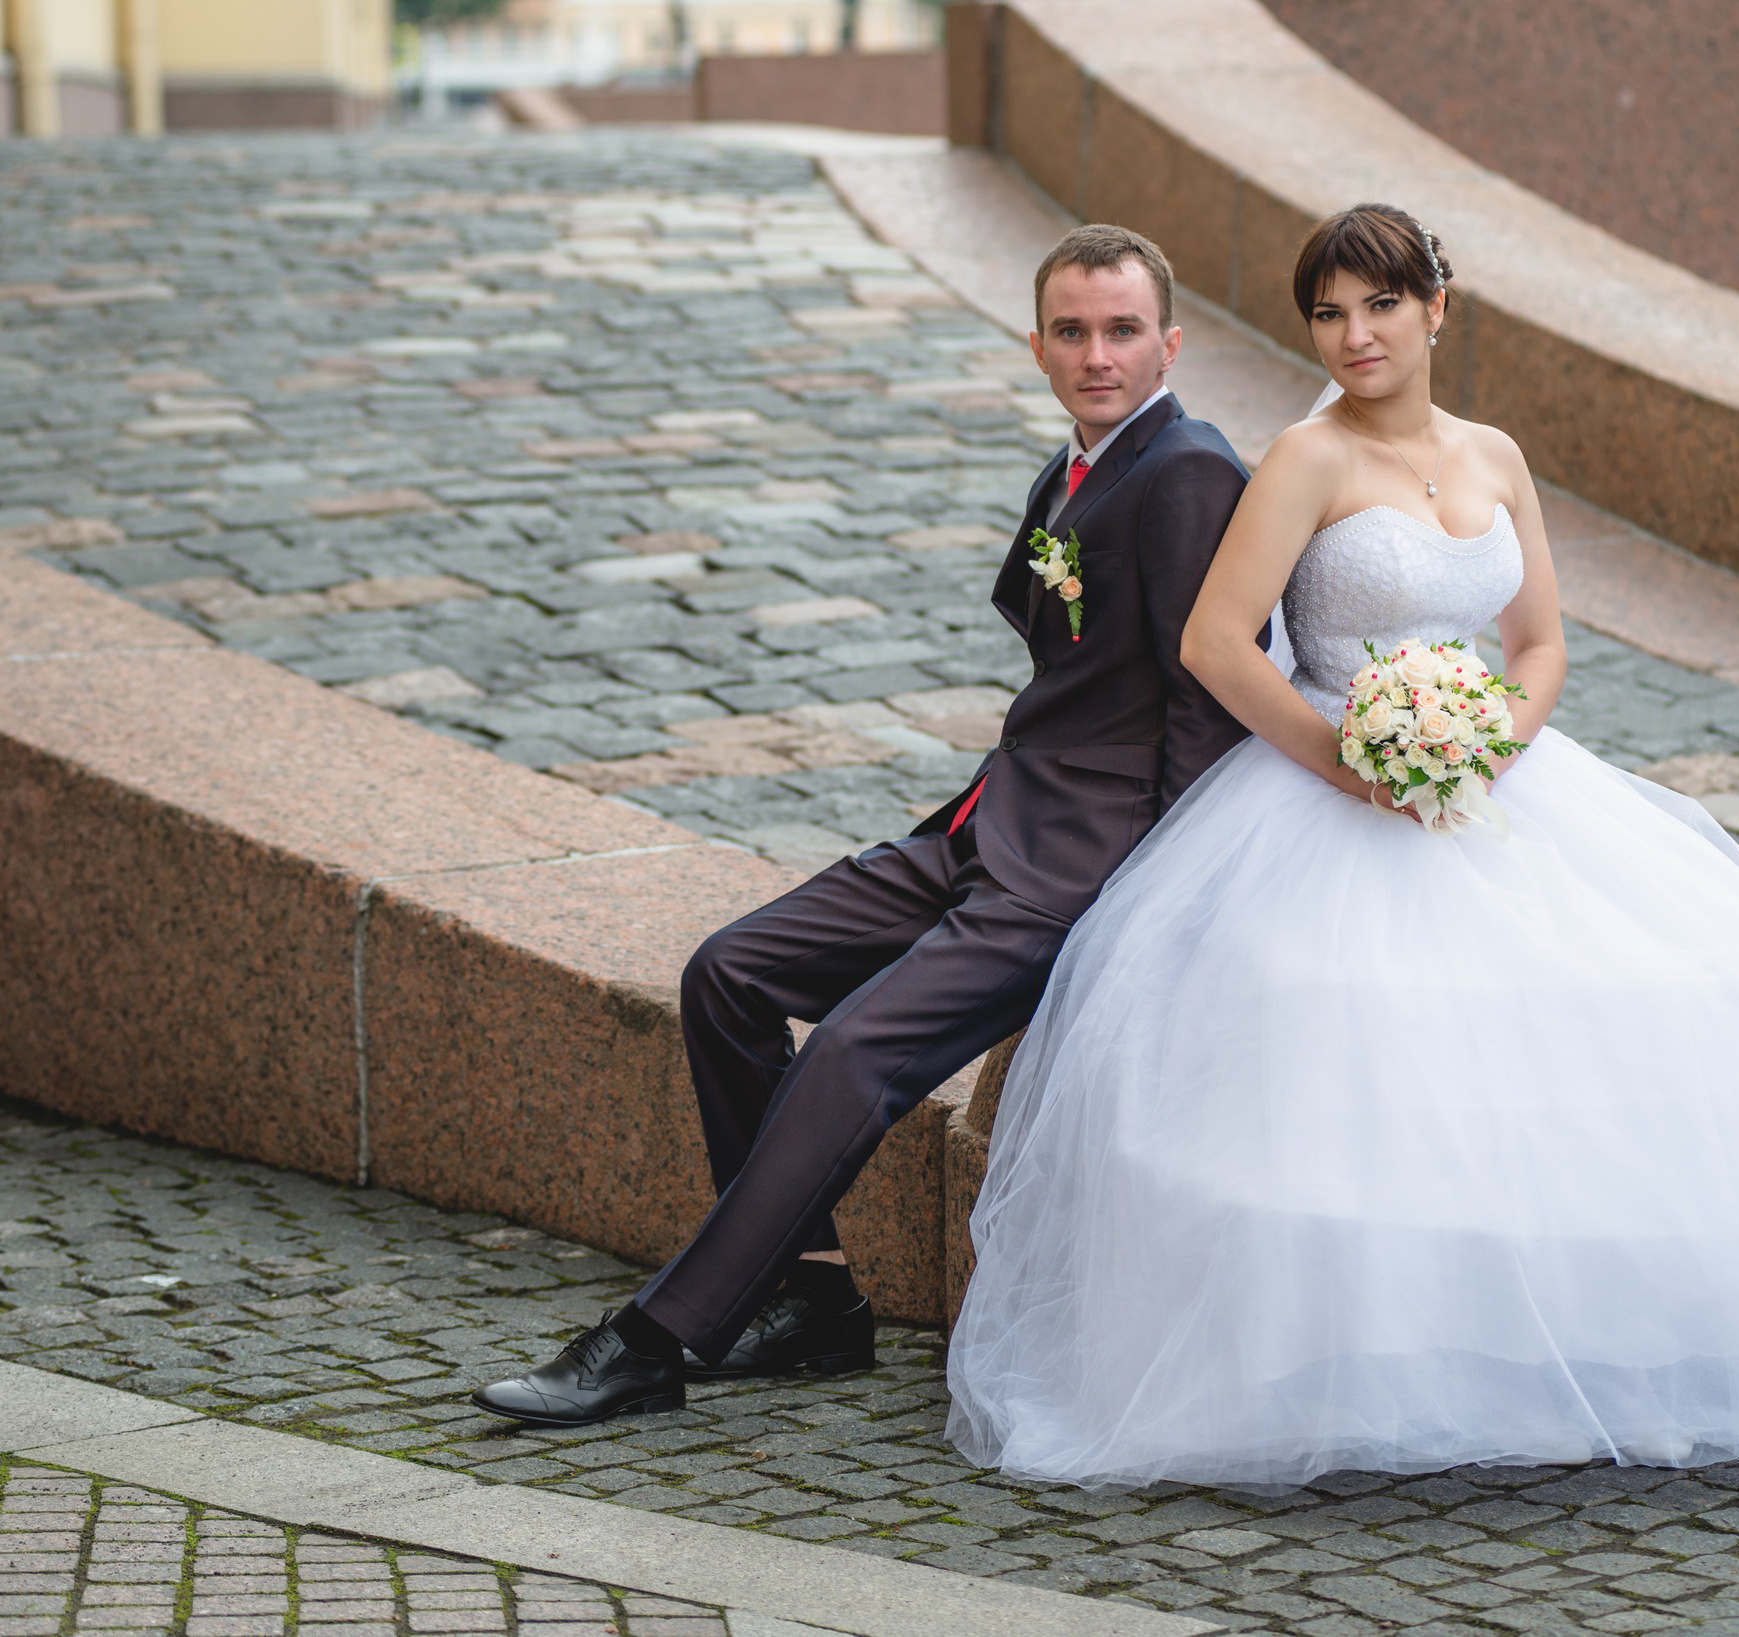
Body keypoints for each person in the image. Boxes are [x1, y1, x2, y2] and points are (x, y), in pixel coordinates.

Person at [944, 203, 1739, 1491]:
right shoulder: (1303, 459)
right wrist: (1346, 761)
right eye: (1327, 311)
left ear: (1435, 309)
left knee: (1634, 1020)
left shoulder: (1497, 456)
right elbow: (1215, 643)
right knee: (1359, 1066)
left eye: (1379, 304)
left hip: (1494, 777)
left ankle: (1599, 1344)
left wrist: (1488, 741)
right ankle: (1380, 1358)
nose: (1353, 333)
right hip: (1335, 786)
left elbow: (1538, 642)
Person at [471, 224, 1258, 1426]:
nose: (1096, 354)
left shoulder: (1187, 469)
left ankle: (655, 1338)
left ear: (1171, 340)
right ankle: (815, 1297)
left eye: (1122, 330)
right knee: (729, 974)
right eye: (1071, 330)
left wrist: (1158, 897)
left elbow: (1208, 705)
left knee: (850, 1048)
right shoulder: (1077, 465)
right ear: (1035, 340)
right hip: (986, 820)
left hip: (1075, 868)